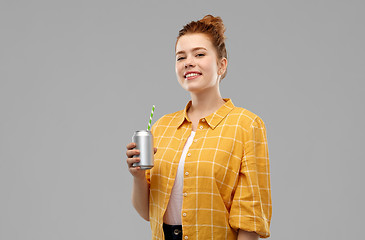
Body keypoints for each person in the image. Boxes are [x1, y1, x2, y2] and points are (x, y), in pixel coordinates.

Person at [126, 15, 272, 240]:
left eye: (200, 54)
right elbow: (148, 212)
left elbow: (249, 220)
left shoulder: (246, 125)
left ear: (221, 65)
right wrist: (138, 176)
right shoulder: (162, 127)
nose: (188, 62)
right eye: (180, 57)